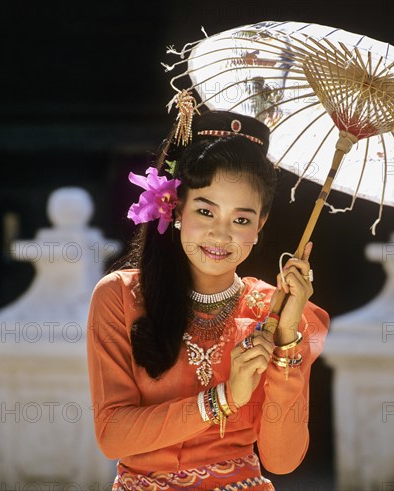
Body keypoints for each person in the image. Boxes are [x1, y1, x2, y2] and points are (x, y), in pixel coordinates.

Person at [86, 106, 330, 491]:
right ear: (176, 206)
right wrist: (225, 398)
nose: (221, 235)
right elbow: (113, 435)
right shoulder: (120, 297)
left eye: (241, 219)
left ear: (261, 224)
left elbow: (283, 461)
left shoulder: (275, 311)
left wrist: (285, 341)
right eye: (205, 211)